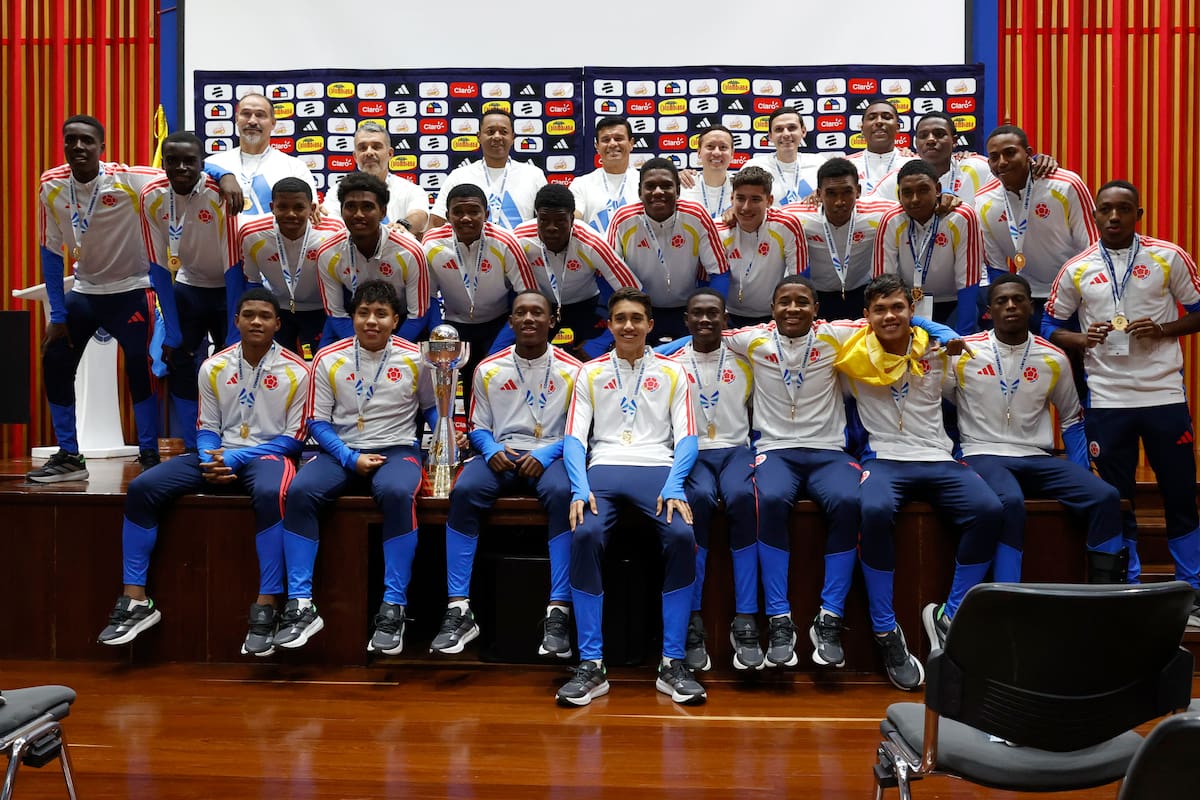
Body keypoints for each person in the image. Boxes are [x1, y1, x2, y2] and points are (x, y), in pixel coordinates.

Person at [97, 289, 310, 654]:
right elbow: (207, 426)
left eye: (264, 316)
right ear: (236, 320)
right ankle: (135, 600)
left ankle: (268, 604)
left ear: (277, 323)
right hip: (220, 453)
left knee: (270, 493)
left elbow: (294, 440)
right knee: (143, 488)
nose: (256, 321)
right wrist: (212, 455)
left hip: (267, 455)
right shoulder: (213, 366)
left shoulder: (299, 370)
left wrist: (237, 459)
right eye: (248, 315)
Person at [30, 114, 237, 482]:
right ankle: (69, 456)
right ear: (63, 144)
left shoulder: (129, 178)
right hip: (85, 290)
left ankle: (149, 453)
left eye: (87, 141)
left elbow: (184, 168)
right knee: (55, 359)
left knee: (140, 368)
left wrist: (226, 175)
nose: (78, 146)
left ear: (101, 148)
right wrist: (58, 314)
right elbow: (49, 251)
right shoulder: (50, 184)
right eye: (71, 140)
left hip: (132, 289)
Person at [834, 274, 1002, 689]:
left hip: (936, 458)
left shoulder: (938, 351)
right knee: (870, 510)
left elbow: (961, 392)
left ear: (912, 309)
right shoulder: (852, 353)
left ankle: (950, 615)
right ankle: (886, 630)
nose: (890, 316)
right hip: (884, 458)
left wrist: (941, 333)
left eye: (898, 307)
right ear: (866, 317)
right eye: (880, 309)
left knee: (989, 510)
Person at [1043, 180, 1200, 621]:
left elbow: (1199, 309)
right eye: (1106, 210)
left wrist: (1165, 330)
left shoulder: (1168, 256)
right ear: (1094, 216)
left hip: (1164, 394)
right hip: (1108, 399)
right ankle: (1128, 584)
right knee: (1118, 495)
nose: (1114, 217)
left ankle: (1193, 587)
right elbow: (1050, 323)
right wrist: (1081, 338)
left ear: (1139, 214)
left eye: (1124, 209)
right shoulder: (1076, 267)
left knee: (1181, 493)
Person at [557, 287, 704, 706]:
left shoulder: (675, 373)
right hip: (602, 467)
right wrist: (579, 487)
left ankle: (672, 663)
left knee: (680, 537)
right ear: (610, 324)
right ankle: (591, 665)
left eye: (636, 318)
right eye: (620, 318)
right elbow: (574, 438)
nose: (627, 326)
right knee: (583, 535)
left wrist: (675, 483)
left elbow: (687, 436)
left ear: (650, 325)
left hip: (657, 466)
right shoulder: (590, 372)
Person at [274, 280, 436, 654]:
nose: (372, 321)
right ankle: (300, 604)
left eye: (381, 314)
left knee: (397, 493)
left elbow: (432, 406)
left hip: (397, 450)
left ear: (396, 319)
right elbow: (316, 421)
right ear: (352, 318)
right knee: (298, 491)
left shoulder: (417, 358)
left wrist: (447, 430)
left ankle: (393, 606)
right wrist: (349, 457)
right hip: (339, 451)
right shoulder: (328, 358)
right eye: (363, 313)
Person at [945, 273, 1122, 591]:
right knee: (1010, 502)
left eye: (1018, 300)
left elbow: (1071, 420)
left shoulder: (1053, 357)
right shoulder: (963, 353)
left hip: (1036, 456)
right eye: (1002, 301)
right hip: (981, 452)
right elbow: (932, 399)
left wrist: (1080, 472)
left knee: (1105, 496)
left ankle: (1105, 596)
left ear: (1031, 307)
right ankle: (1006, 597)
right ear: (989, 312)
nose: (1011, 306)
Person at [431, 290, 582, 657]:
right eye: (520, 313)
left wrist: (548, 453)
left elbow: (580, 430)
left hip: (552, 453)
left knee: (564, 494)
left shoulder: (575, 371)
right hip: (501, 454)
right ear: (510, 321)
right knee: (464, 491)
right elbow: (479, 426)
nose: (529, 318)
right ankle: (459, 608)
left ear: (552, 321)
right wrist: (491, 449)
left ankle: (558, 611)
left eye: (537, 312)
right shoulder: (488, 368)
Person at [665, 290, 755, 673]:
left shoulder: (746, 358)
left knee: (743, 498)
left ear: (725, 318)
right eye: (697, 314)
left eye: (713, 314)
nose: (705, 320)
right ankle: (693, 619)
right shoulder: (669, 362)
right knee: (696, 503)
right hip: (692, 452)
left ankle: (747, 619)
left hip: (736, 449)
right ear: (685, 320)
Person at [139, 131, 241, 450]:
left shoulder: (217, 193)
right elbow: (157, 267)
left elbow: (234, 263)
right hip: (188, 286)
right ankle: (195, 442)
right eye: (173, 161)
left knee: (235, 363)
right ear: (164, 163)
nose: (181, 167)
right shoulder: (151, 194)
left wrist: (234, 330)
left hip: (228, 288)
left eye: (190, 161)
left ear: (202, 163)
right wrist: (170, 329)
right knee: (180, 360)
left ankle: (235, 438)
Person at [423, 183, 537, 409]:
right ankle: (453, 438)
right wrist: (440, 337)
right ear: (447, 215)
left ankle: (490, 441)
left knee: (490, 383)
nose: (466, 218)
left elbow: (527, 298)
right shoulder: (432, 243)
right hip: (454, 325)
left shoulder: (505, 242)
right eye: (458, 212)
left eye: (474, 211)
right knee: (444, 389)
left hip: (498, 324)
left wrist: (495, 351)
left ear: (486, 214)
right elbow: (429, 298)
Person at [975, 124, 1097, 325]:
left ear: (1028, 154)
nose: (1002, 162)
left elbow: (1091, 249)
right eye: (995, 157)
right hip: (1027, 299)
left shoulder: (1065, 184)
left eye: (1010, 153)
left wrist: (1084, 293)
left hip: (1075, 294)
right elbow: (996, 266)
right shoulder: (983, 200)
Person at [606, 158, 729, 341]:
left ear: (678, 190)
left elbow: (720, 272)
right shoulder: (623, 219)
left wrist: (708, 313)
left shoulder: (696, 215)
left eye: (666, 186)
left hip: (688, 311)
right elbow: (606, 273)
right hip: (640, 310)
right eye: (650, 186)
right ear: (640, 192)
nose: (658, 192)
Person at [512, 185, 641, 356]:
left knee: (589, 355)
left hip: (586, 306)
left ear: (572, 219)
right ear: (536, 217)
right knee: (525, 354)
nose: (552, 228)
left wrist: (603, 340)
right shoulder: (520, 237)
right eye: (544, 220)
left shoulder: (591, 242)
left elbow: (631, 289)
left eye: (560, 221)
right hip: (540, 307)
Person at [315, 172, 429, 342]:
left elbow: (418, 315)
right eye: (350, 206)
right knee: (323, 360)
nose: (358, 214)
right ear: (341, 210)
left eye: (367, 207)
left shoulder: (410, 251)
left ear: (382, 212)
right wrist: (359, 347)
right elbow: (336, 313)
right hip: (352, 321)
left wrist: (390, 349)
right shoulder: (327, 251)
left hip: (403, 321)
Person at [873, 159, 984, 333]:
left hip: (955, 302)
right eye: (907, 193)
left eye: (923, 190)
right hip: (906, 306)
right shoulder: (891, 220)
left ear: (938, 190)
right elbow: (884, 284)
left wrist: (963, 335)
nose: (915, 199)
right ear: (899, 195)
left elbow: (968, 281)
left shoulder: (961, 217)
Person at [239, 177, 344, 359]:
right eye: (282, 207)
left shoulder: (334, 231)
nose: (291, 214)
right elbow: (252, 283)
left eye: (298, 207)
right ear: (272, 207)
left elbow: (342, 282)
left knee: (319, 363)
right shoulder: (252, 233)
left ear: (312, 208)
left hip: (321, 310)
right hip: (277, 309)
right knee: (275, 367)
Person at [783, 157, 898, 322]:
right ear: (818, 194)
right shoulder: (798, 216)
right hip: (818, 297)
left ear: (858, 191)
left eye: (847, 192)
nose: (839, 201)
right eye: (830, 193)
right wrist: (731, 213)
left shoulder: (880, 212)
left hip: (862, 293)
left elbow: (916, 206)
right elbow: (762, 215)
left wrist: (947, 194)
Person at [716, 166, 807, 326]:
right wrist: (718, 315)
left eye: (755, 199)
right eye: (740, 198)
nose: (746, 207)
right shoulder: (719, 229)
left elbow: (800, 278)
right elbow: (711, 279)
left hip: (773, 317)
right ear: (731, 199)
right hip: (729, 317)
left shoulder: (787, 225)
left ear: (769, 201)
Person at [429, 109, 547, 231]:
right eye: (490, 132)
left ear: (513, 138)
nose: (497, 137)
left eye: (503, 132)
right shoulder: (459, 176)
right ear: (479, 137)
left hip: (521, 249)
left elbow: (548, 220)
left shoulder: (533, 175)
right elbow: (436, 222)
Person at [205, 93, 318, 216]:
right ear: (237, 119)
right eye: (246, 114)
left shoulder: (295, 167)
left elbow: (310, 214)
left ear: (273, 123)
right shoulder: (214, 164)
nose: (252, 121)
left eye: (260, 115)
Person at [321, 121, 429, 238]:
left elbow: (419, 215)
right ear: (355, 156)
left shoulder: (411, 190)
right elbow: (331, 223)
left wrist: (403, 226)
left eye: (376, 147)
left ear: (390, 153)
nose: (369, 152)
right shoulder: (336, 191)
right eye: (362, 148)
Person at [744, 108, 829, 206]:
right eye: (779, 129)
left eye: (792, 128)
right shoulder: (754, 166)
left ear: (803, 131)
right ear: (770, 136)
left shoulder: (819, 164)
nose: (786, 134)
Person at [570, 117, 640, 231]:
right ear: (597, 146)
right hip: (595, 248)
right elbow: (574, 217)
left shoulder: (645, 183)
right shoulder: (581, 184)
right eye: (606, 140)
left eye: (618, 138)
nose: (612, 144)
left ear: (631, 143)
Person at [844, 100, 915, 195]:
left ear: (898, 127)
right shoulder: (846, 165)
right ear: (862, 129)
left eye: (886, 117)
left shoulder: (912, 162)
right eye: (872, 118)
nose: (879, 122)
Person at [679, 125, 735, 219]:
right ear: (699, 152)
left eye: (723, 147)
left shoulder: (741, 186)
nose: (716, 152)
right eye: (710, 146)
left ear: (732, 154)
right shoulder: (683, 184)